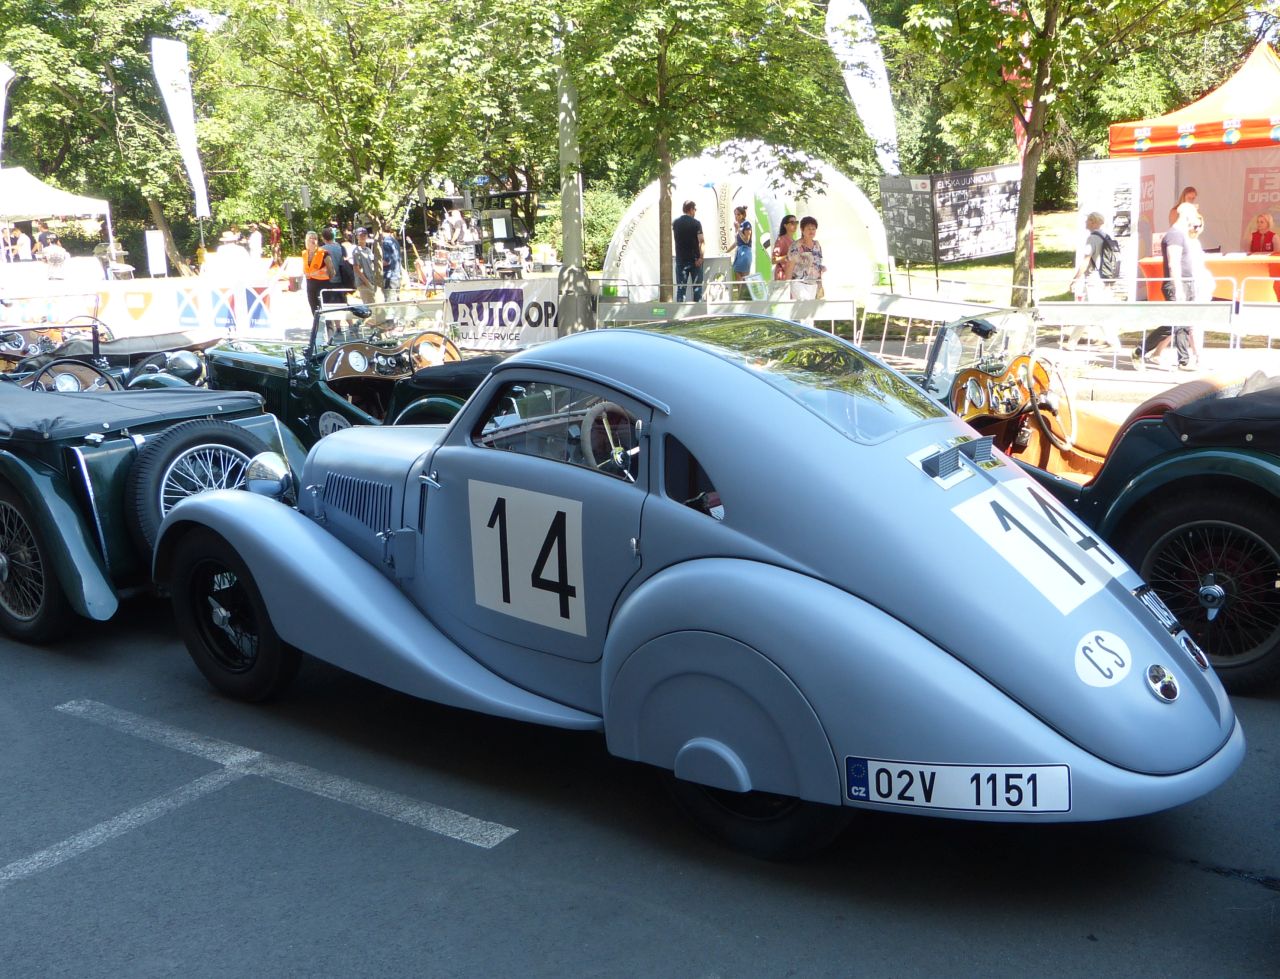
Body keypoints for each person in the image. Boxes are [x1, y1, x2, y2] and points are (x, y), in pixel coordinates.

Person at [1134, 203, 1202, 371]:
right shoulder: (1174, 235)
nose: (1196, 219)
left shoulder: (1180, 235)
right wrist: (1178, 287)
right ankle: (1140, 351)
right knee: (1175, 324)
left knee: (1181, 324)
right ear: (1186, 216)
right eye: (1194, 215)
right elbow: (1173, 263)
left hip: (1186, 283)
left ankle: (1183, 361)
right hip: (1178, 284)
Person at [1065, 212, 1123, 351]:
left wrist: (1075, 279)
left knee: (1097, 313)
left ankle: (1115, 344)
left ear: (1093, 222)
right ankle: (1072, 343)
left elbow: (1086, 261)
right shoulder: (1106, 236)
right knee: (1086, 312)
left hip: (1094, 280)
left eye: (1087, 221)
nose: (1086, 223)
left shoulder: (1092, 239)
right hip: (1105, 279)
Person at [787, 216, 825, 302]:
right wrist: (786, 285)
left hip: (813, 284)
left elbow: (817, 265)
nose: (811, 231)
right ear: (802, 229)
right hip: (799, 283)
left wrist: (820, 284)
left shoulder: (817, 245)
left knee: (808, 308)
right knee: (804, 304)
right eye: (808, 229)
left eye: (813, 229)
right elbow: (790, 266)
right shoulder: (796, 246)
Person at [672, 200, 704, 302]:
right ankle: (698, 310)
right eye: (695, 209)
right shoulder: (696, 223)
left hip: (681, 259)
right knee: (697, 288)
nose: (695, 211)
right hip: (695, 260)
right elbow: (701, 241)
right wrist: (700, 258)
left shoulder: (675, 223)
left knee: (681, 289)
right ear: (691, 209)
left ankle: (680, 310)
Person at [303, 231, 335, 316]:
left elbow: (332, 271)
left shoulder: (324, 253)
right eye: (311, 238)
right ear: (306, 240)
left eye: (315, 238)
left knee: (325, 310)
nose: (313, 240)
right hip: (310, 285)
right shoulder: (304, 253)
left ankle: (328, 325)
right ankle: (317, 323)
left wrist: (325, 278)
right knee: (314, 310)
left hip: (323, 285)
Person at [352, 227, 377, 306]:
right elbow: (356, 269)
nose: (363, 237)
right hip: (363, 283)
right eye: (360, 235)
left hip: (371, 281)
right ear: (357, 237)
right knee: (370, 306)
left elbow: (372, 264)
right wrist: (367, 283)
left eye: (364, 235)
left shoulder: (368, 250)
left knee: (374, 305)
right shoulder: (356, 251)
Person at [731, 205, 753, 284]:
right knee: (737, 277)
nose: (736, 216)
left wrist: (738, 229)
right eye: (735, 214)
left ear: (743, 215)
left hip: (745, 252)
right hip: (739, 252)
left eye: (738, 214)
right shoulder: (738, 225)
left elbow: (746, 240)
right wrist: (726, 251)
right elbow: (736, 242)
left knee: (744, 279)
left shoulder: (746, 224)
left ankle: (744, 292)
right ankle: (740, 292)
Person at [772, 214, 797, 282]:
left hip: (791, 276)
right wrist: (788, 257)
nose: (795, 225)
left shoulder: (794, 241)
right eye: (792, 222)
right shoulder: (781, 239)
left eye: (796, 222)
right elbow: (774, 260)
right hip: (782, 276)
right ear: (785, 225)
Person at [381, 229, 401, 304]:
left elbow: (387, 261)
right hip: (397, 275)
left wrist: (374, 264)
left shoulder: (385, 243)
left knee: (390, 303)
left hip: (389, 277)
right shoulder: (394, 241)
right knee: (396, 302)